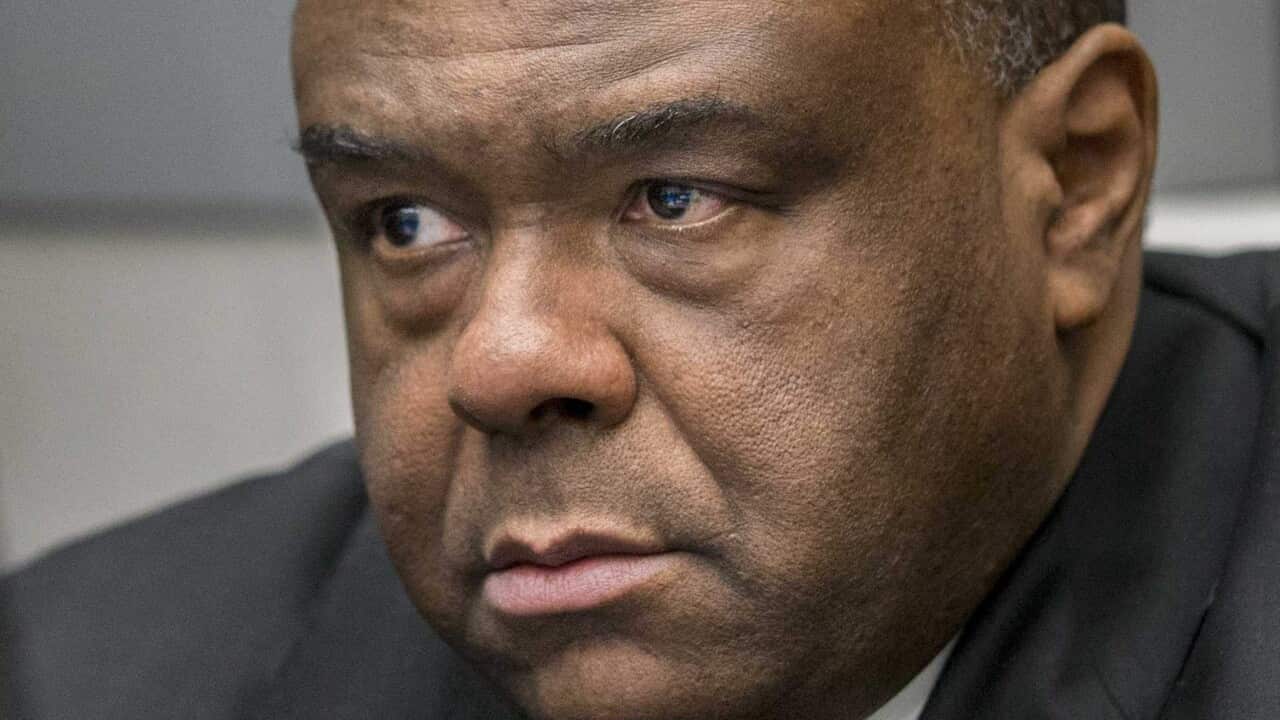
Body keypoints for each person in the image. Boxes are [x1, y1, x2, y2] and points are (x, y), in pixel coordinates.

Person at [3, 1, 1278, 718]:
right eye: (405, 221)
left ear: (1073, 184)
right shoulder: (80, 679)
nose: (497, 365)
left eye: (675, 198)